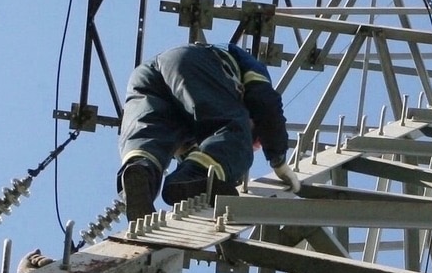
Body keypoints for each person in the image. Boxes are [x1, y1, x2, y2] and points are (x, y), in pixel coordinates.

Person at [117, 40, 300, 220]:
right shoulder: (245, 66)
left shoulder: (195, 133)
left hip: (146, 75)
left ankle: (141, 173)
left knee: (149, 134)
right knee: (232, 129)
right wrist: (278, 159)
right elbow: (266, 104)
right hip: (195, 62)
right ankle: (193, 176)